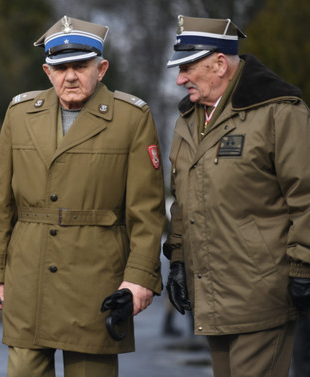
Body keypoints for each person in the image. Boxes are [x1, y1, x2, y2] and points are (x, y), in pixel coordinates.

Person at [0, 15, 166, 377]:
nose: (70, 76)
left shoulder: (131, 117)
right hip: (27, 276)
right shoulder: (20, 114)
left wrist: (141, 277)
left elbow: (146, 212)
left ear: (102, 68)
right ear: (46, 71)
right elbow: (2, 203)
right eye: (60, 67)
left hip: (96, 279)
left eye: (80, 66)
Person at [164, 15, 310, 377]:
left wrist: (305, 266)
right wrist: (179, 261)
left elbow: (305, 193)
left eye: (188, 68)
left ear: (218, 63)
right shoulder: (189, 119)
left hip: (263, 292)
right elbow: (183, 200)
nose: (180, 79)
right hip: (212, 295)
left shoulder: (279, 112)